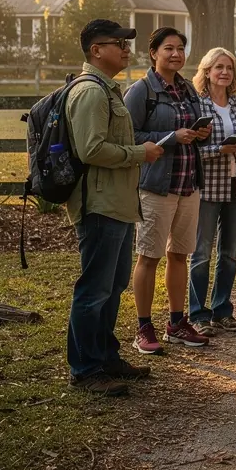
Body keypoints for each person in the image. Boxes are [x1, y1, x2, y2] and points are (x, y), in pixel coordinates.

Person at [65, 20, 164, 396]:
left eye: (126, 43)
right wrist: (141, 153)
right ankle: (86, 369)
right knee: (94, 289)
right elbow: (91, 150)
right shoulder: (90, 92)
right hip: (100, 204)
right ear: (96, 50)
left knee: (112, 286)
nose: (126, 49)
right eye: (118, 43)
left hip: (119, 204)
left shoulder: (108, 90)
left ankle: (106, 357)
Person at [124, 27, 212, 354]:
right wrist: (173, 136)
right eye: (168, 48)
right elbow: (128, 137)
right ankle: (143, 328)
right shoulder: (141, 91)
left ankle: (177, 323)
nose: (175, 54)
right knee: (149, 256)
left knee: (179, 255)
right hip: (157, 186)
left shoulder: (188, 88)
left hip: (188, 185)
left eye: (180, 49)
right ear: (153, 53)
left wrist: (199, 134)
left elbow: (191, 129)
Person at [189, 47, 236, 335]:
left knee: (229, 253)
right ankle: (198, 315)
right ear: (207, 71)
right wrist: (221, 149)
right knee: (201, 252)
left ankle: (222, 310)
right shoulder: (198, 105)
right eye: (219, 67)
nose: (225, 72)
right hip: (207, 187)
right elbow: (191, 150)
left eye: (229, 68)